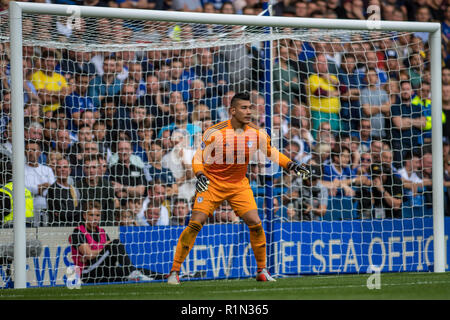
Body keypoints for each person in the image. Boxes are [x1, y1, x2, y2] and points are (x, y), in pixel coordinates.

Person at [167, 92, 310, 284]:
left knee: (256, 222)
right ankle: (174, 272)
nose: (249, 111)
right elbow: (198, 158)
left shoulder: (256, 133)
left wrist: (291, 165)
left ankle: (262, 270)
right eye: (244, 108)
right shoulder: (214, 132)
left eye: (250, 107)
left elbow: (272, 152)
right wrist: (200, 175)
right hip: (211, 183)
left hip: (238, 185)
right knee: (195, 223)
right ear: (232, 110)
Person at [68, 200, 154, 284]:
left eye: (98, 215)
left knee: (135, 270)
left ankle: (163, 276)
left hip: (105, 271)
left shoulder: (102, 232)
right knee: (115, 243)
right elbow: (89, 255)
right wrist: (105, 248)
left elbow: (108, 251)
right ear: (85, 216)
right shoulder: (78, 232)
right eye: (92, 215)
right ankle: (133, 273)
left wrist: (105, 249)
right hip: (88, 273)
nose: (95, 218)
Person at [46, 157, 81, 226]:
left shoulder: (74, 190)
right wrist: (76, 212)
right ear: (55, 171)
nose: (63, 170)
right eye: (59, 167)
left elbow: (79, 209)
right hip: (58, 228)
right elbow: (61, 213)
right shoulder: (52, 190)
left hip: (74, 227)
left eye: (65, 167)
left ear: (70, 170)